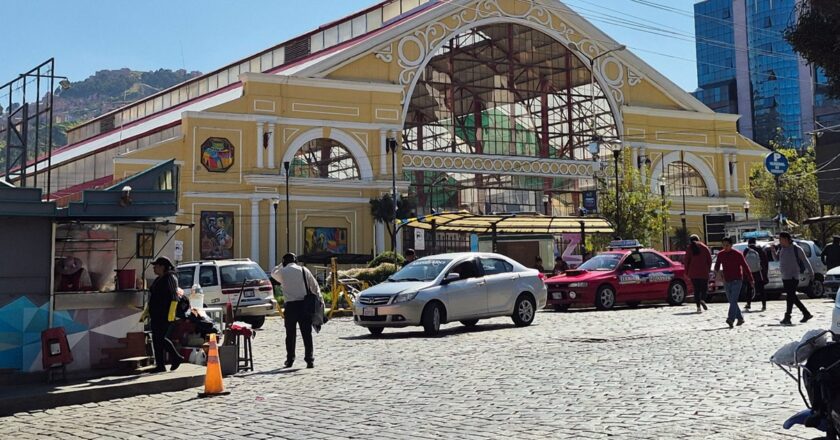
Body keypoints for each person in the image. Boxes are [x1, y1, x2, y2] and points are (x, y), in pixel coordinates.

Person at [272, 253, 321, 369]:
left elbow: (273, 272)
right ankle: (309, 360)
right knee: (307, 334)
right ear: (296, 261)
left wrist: (281, 264)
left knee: (290, 335)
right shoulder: (304, 270)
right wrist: (320, 301)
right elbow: (315, 287)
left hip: (290, 307)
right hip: (304, 305)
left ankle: (290, 359)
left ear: (284, 262)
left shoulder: (282, 272)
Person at [148, 256, 184, 372]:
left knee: (160, 337)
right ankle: (160, 365)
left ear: (162, 266)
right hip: (155, 313)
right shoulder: (158, 279)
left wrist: (171, 314)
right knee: (156, 338)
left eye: (156, 266)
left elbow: (174, 297)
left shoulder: (170, 278)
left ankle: (176, 357)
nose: (154, 268)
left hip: (165, 313)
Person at [714, 237, 754, 328]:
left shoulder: (737, 254)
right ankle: (740, 318)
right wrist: (717, 273)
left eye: (727, 245)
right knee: (731, 300)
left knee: (733, 300)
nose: (725, 247)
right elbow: (717, 266)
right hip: (726, 280)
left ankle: (730, 319)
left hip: (737, 280)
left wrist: (751, 279)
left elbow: (745, 266)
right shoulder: (721, 254)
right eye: (723, 245)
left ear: (731, 245)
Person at [777, 232, 814, 325]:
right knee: (792, 297)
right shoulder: (782, 249)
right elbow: (780, 260)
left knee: (790, 297)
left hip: (793, 276)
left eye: (781, 239)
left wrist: (811, 272)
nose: (780, 241)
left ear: (786, 239)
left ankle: (787, 317)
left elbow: (805, 260)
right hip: (785, 276)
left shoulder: (796, 248)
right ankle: (806, 313)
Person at [684, 234, 713, 313]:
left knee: (696, 290)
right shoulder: (704, 247)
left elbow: (686, 261)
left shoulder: (689, 248)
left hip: (693, 273)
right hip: (704, 272)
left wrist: (686, 272)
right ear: (698, 239)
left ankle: (698, 307)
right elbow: (709, 260)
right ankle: (703, 300)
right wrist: (708, 269)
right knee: (704, 289)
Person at [743, 238, 769, 312]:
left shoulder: (746, 250)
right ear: (755, 242)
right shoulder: (760, 250)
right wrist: (765, 273)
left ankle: (748, 304)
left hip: (749, 273)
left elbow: (743, 263)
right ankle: (764, 305)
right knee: (761, 290)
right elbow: (765, 262)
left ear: (748, 243)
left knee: (749, 289)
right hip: (759, 273)